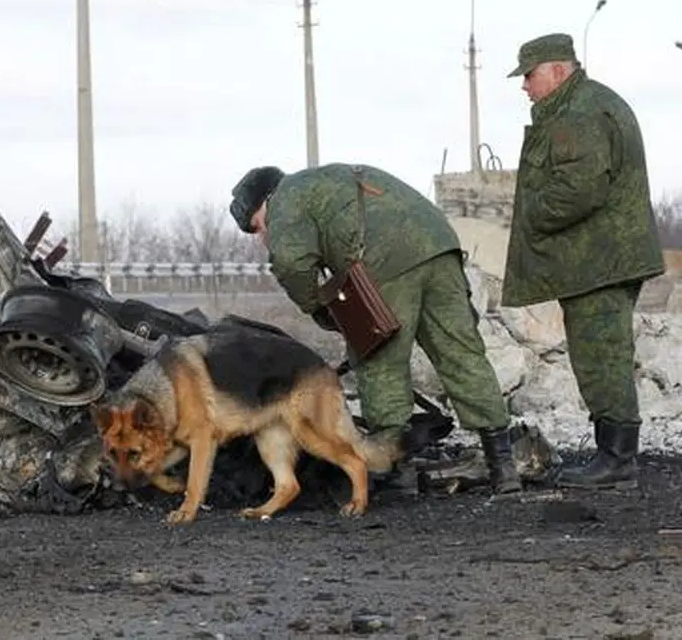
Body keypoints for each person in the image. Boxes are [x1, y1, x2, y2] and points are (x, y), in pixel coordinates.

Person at [229, 163, 522, 494]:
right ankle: (503, 465)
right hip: (440, 247)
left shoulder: (285, 199)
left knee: (378, 357)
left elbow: (291, 263)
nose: (264, 235)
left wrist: (318, 307)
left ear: (263, 202)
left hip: (386, 261)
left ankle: (396, 471)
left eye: (258, 226)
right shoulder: (328, 179)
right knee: (461, 354)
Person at [502, 33, 665, 490]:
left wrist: (531, 212)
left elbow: (580, 188)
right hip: (599, 260)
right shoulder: (586, 105)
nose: (524, 86)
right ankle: (614, 455)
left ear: (557, 70)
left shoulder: (581, 112)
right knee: (601, 355)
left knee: (601, 358)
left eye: (529, 75)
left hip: (601, 262)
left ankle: (617, 460)